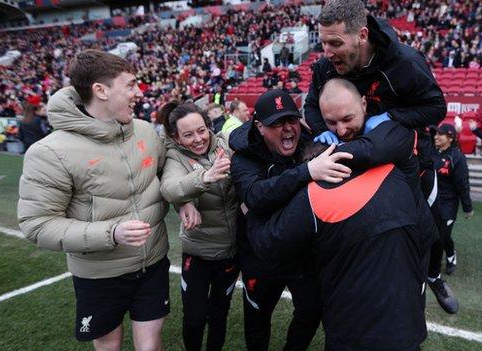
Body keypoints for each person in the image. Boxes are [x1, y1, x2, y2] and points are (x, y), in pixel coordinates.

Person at [303, 0, 455, 314]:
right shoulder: (324, 67)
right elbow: (312, 106)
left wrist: (388, 118)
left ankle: (434, 275)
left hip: (408, 157)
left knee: (431, 227)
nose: (327, 52)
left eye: (335, 43)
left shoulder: (405, 62)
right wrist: (324, 131)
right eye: (323, 43)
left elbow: (436, 108)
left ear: (361, 35)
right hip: (354, 157)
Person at [17, 50, 170, 351]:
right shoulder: (50, 152)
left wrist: (186, 197)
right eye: (130, 85)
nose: (139, 92)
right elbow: (36, 225)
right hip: (99, 274)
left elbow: (168, 171)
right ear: (100, 90)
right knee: (108, 345)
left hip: (153, 262)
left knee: (150, 345)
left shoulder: (143, 130)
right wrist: (111, 233)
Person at [245, 141, 427, 349]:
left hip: (354, 329)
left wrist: (250, 210)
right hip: (407, 322)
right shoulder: (393, 171)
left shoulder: (316, 195)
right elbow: (429, 234)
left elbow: (267, 243)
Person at [229, 89, 353, 351]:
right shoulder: (244, 155)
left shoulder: (311, 142)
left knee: (311, 310)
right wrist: (306, 171)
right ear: (260, 127)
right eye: (277, 123)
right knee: (257, 316)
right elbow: (255, 196)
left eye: (291, 120)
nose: (287, 129)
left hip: (300, 252)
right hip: (259, 255)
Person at [160, 103, 239, 351]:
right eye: (188, 134)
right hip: (198, 253)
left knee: (219, 314)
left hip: (230, 252)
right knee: (194, 319)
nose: (198, 139)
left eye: (201, 130)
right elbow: (169, 188)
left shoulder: (224, 144)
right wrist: (203, 178)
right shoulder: (175, 156)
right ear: (176, 137)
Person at [432, 124, 474, 275]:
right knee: (430, 232)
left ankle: (450, 256)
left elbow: (462, 184)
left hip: (448, 203)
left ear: (450, 138)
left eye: (440, 135)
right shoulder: (432, 152)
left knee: (442, 235)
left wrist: (467, 207)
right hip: (430, 201)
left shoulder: (457, 157)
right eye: (436, 134)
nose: (436, 137)